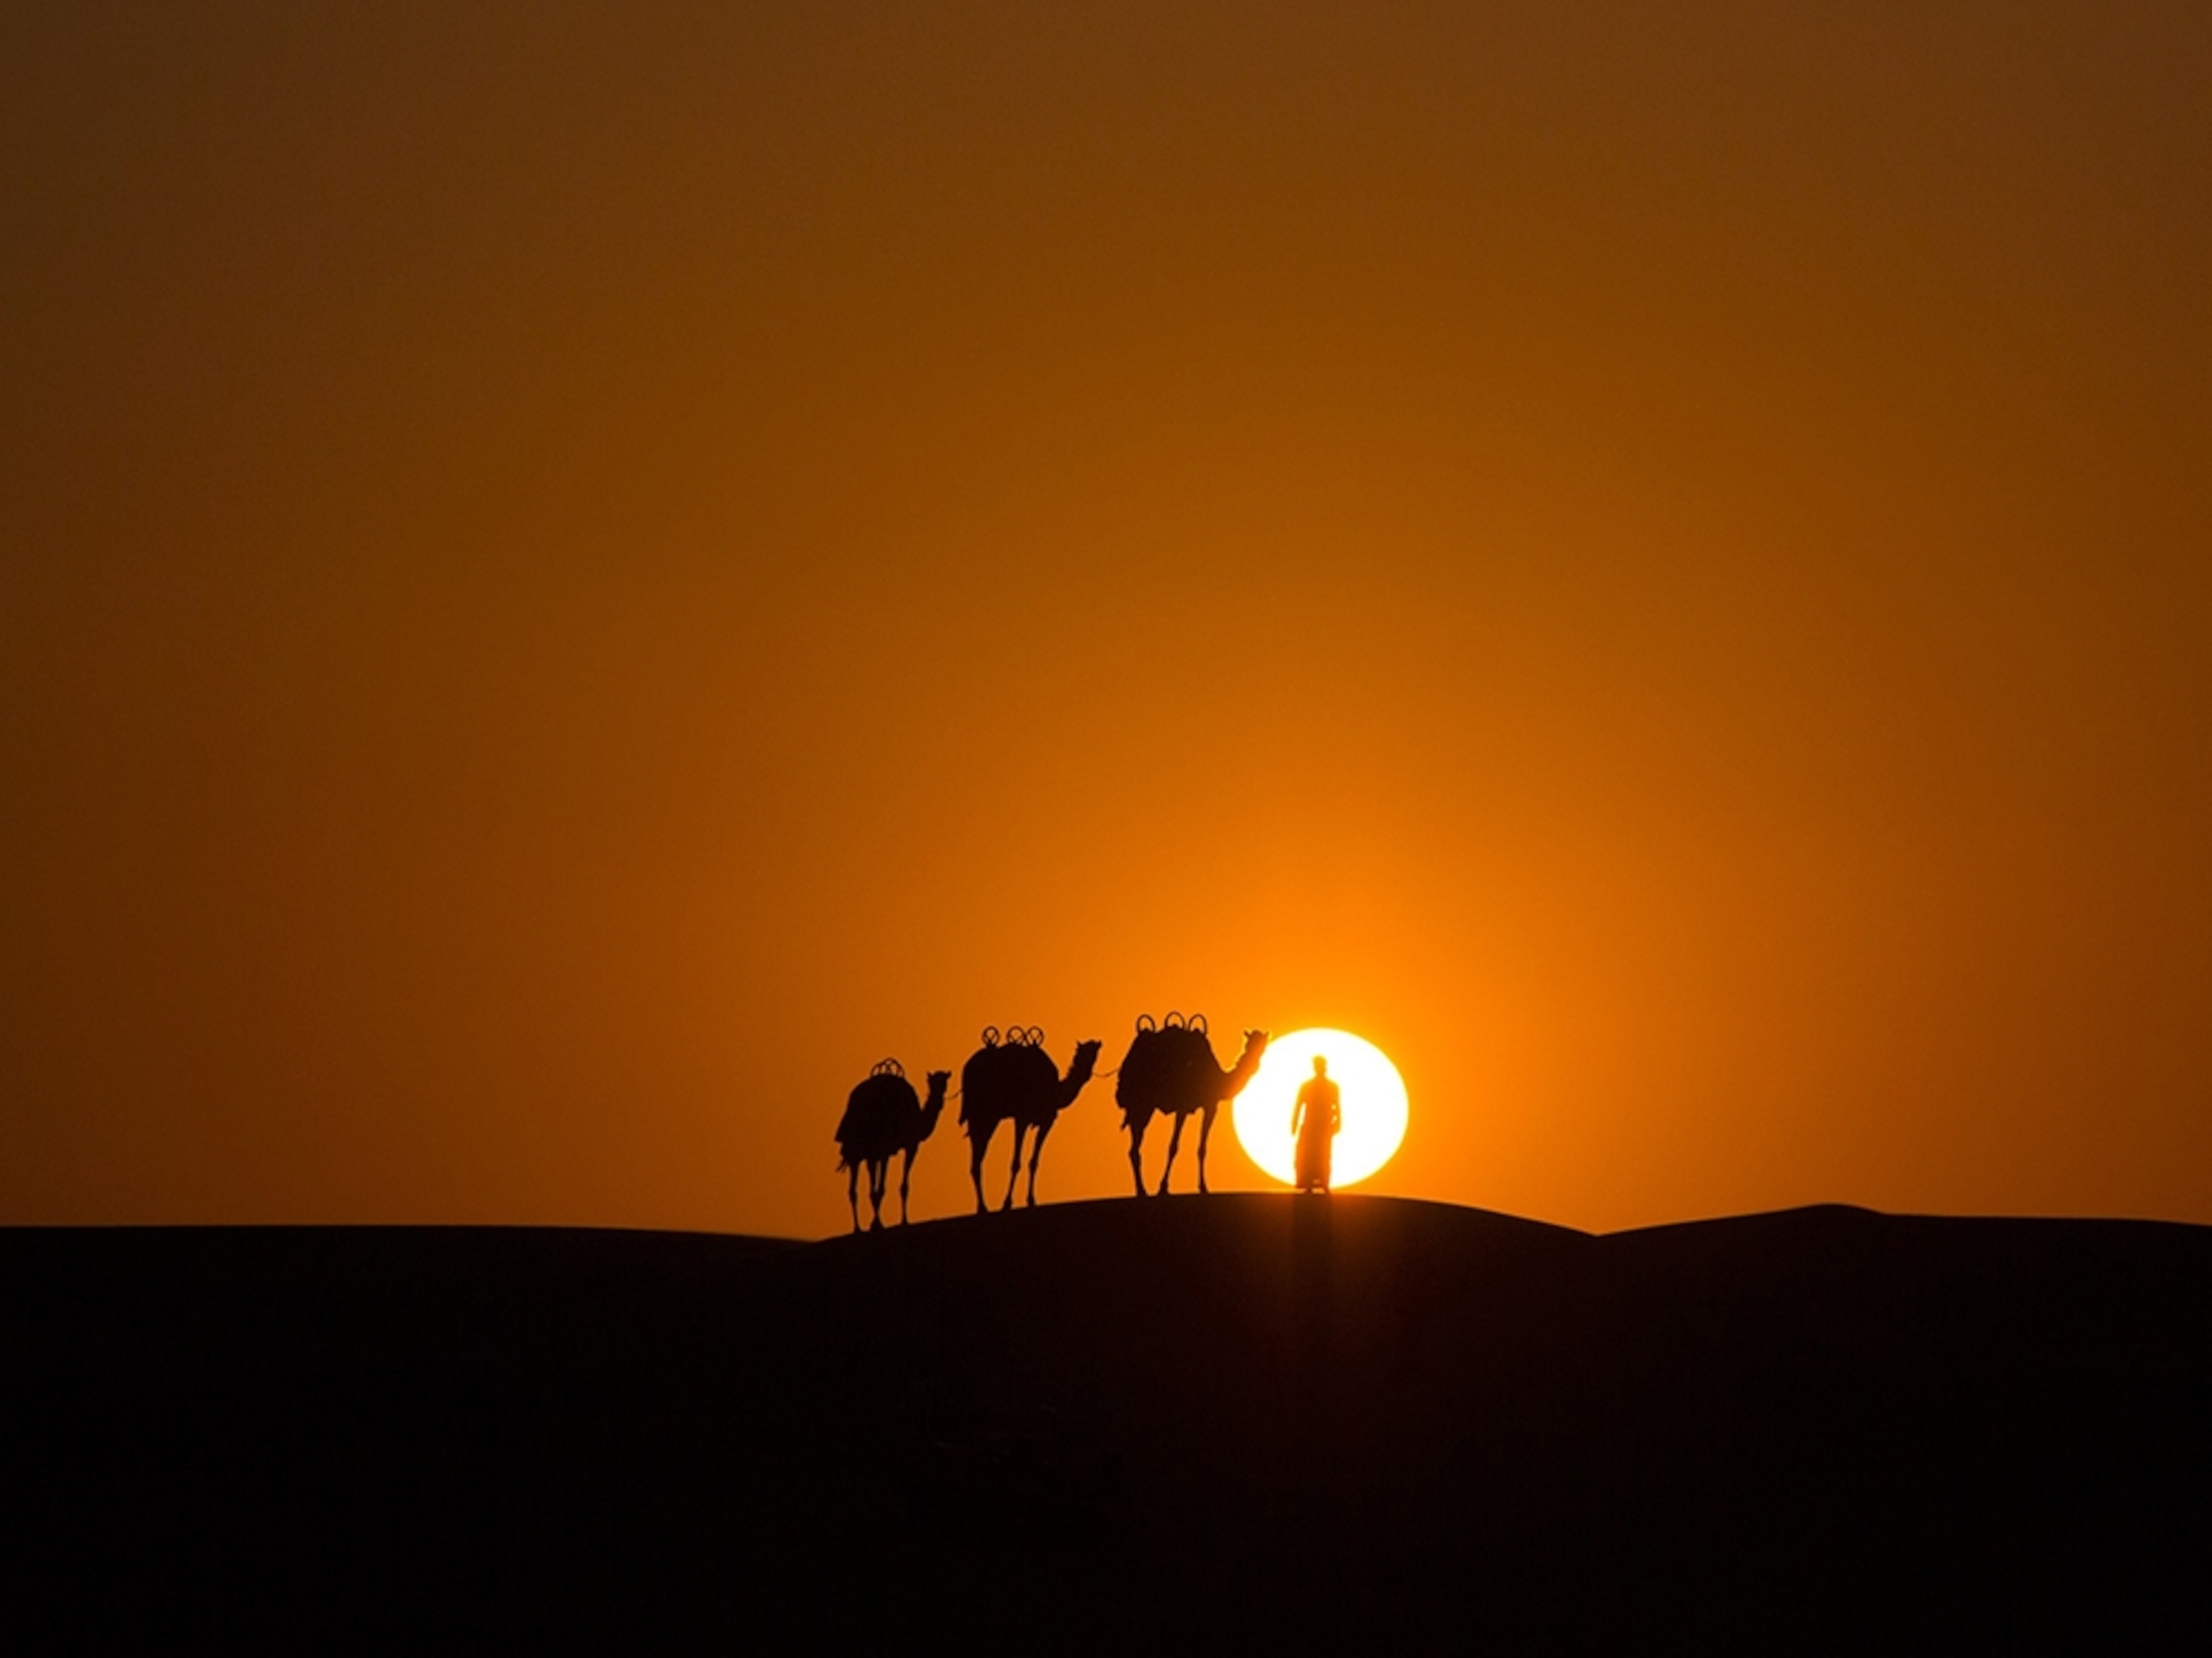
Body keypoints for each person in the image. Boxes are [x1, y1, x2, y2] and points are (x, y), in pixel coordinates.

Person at [1290, 1054, 1341, 1194]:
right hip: (1310, 1125)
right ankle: (1308, 1183)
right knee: (1307, 1154)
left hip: (1324, 1126)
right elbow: (1298, 1105)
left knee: (1323, 1155)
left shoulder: (1332, 1087)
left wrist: (1339, 1122)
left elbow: (1337, 1106)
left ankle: (1324, 1183)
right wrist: (1294, 1123)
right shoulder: (1306, 1086)